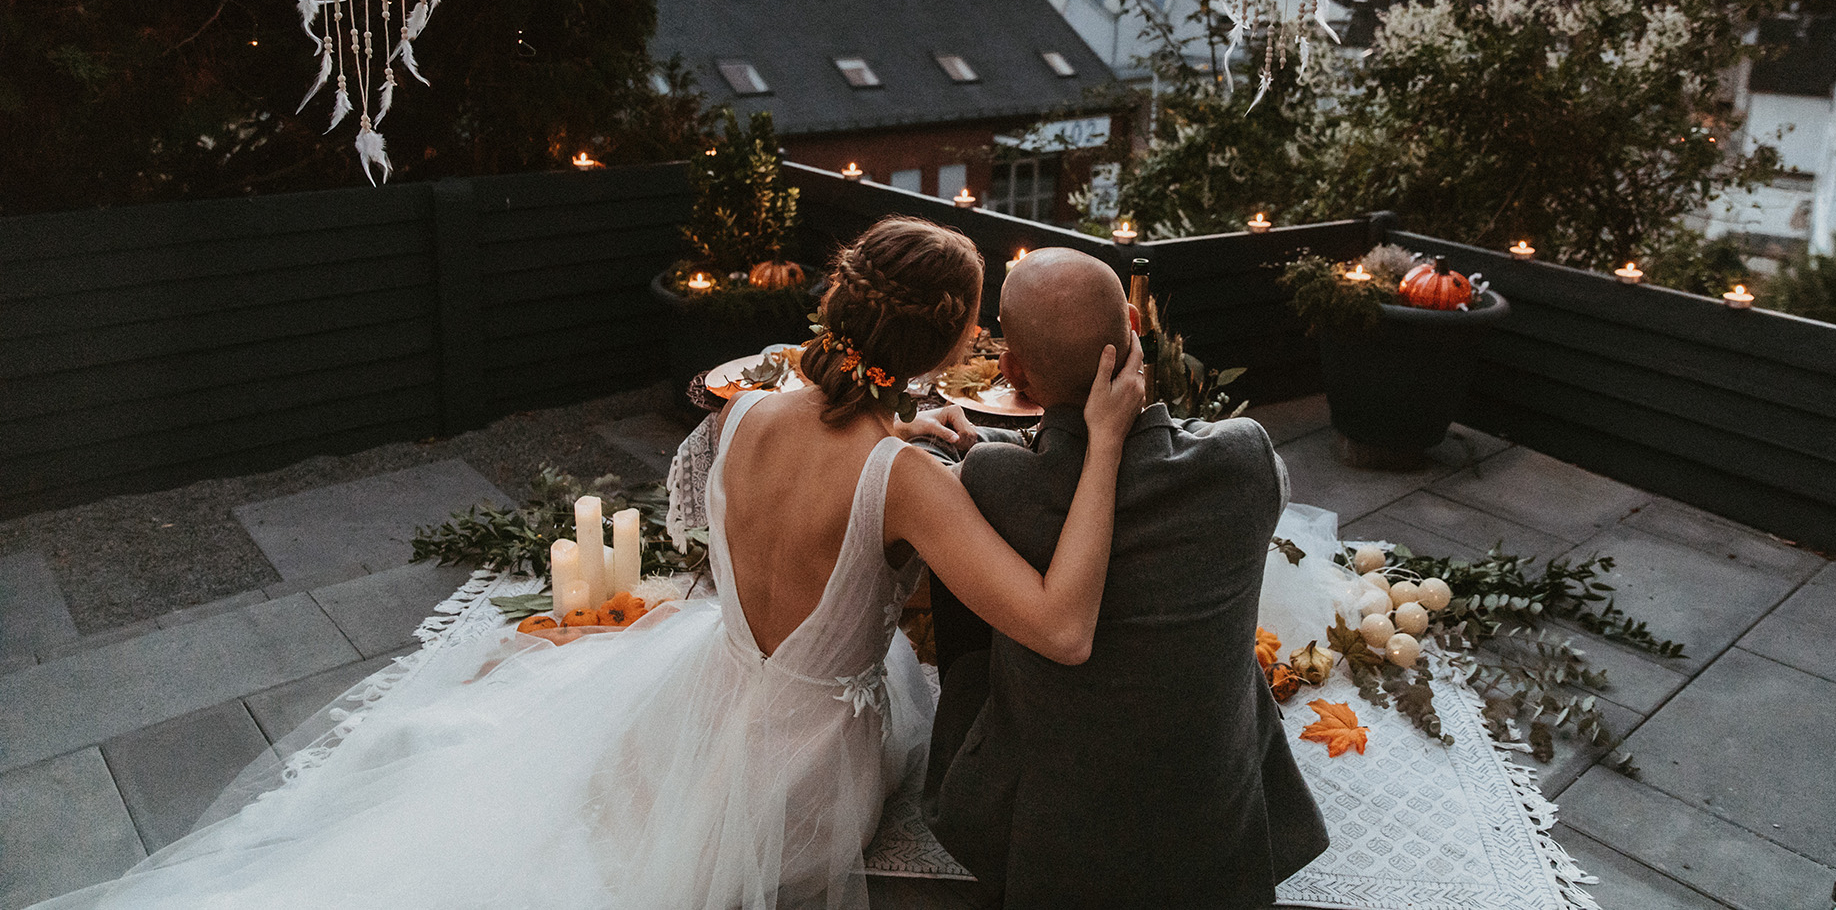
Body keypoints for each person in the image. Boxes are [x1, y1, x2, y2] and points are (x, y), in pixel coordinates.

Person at [38, 217, 1145, 910]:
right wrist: (1097, 444)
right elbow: (1059, 628)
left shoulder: (743, 416)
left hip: (701, 707)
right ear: (951, 349)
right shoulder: (906, 481)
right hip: (804, 777)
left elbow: (771, 508)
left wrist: (896, 443)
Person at [921, 247, 1329, 908]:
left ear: (1012, 371)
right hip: (1212, 835)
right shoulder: (1245, 457)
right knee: (1232, 663)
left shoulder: (995, 481)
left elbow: (1013, 488)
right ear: (1135, 326)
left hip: (1057, 847)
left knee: (972, 656)